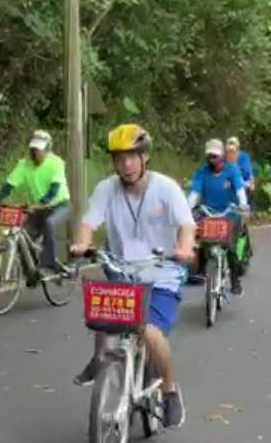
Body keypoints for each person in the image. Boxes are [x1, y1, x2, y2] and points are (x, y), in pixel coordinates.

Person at [70, 124, 195, 427]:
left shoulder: (166, 188)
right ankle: (100, 360)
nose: (126, 164)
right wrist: (83, 243)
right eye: (119, 158)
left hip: (161, 274)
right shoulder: (105, 189)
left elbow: (186, 225)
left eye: (132, 157)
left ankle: (169, 390)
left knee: (150, 332)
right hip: (123, 271)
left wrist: (184, 248)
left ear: (144, 157)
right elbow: (89, 222)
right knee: (104, 312)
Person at [0, 129, 71, 277]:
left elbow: (53, 190)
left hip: (59, 205)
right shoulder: (24, 165)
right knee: (22, 235)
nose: (34, 153)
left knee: (49, 224)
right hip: (38, 209)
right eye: (32, 149)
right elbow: (9, 184)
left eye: (38, 149)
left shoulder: (56, 163)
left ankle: (48, 264)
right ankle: (32, 272)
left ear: (47, 149)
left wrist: (40, 204)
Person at [186, 138, 249, 295]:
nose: (212, 158)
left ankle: (235, 281)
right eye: (210, 155)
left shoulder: (232, 170)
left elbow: (240, 191)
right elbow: (194, 193)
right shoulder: (202, 172)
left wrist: (243, 205)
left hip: (230, 211)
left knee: (231, 246)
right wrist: (187, 208)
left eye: (215, 155)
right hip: (208, 211)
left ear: (221, 155)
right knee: (199, 240)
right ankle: (199, 269)